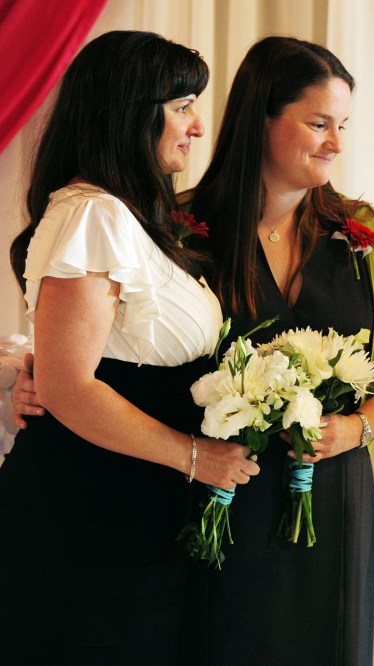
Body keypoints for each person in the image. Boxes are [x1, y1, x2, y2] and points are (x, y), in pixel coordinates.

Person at [0, 31, 260, 663]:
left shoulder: (129, 215)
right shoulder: (96, 215)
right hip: (88, 513)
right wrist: (196, 456)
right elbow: (69, 386)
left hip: (133, 507)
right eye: (182, 106)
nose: (198, 127)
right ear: (128, 110)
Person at [184, 37, 374, 664]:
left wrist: (357, 427)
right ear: (261, 116)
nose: (336, 143)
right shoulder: (181, 231)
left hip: (333, 496)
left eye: (342, 125)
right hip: (211, 494)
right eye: (318, 123)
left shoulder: (365, 233)